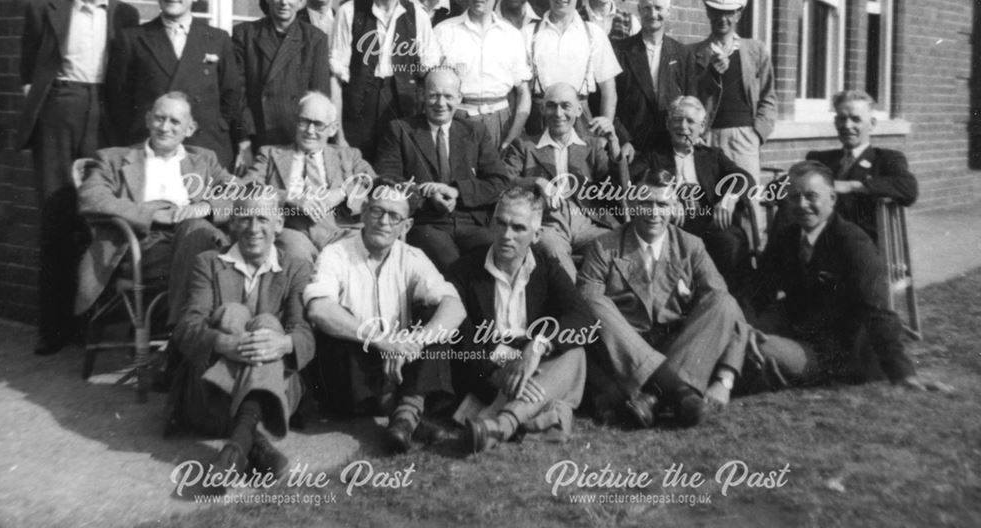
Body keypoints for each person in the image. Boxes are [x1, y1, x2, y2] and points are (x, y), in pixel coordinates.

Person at [17, 0, 140, 354]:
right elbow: (28, 74)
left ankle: (93, 325)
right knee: (56, 215)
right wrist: (48, 110)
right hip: (60, 108)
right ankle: (52, 329)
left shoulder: (125, 14)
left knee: (98, 216)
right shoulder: (44, 9)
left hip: (103, 110)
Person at [745, 161, 947, 393]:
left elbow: (878, 310)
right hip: (799, 329)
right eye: (794, 197)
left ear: (832, 198)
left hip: (838, 353)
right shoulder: (786, 237)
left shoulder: (852, 242)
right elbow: (759, 290)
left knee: (761, 350)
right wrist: (746, 326)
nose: (802, 205)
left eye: (811, 196)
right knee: (739, 335)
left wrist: (902, 373)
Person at [304, 178, 467, 453]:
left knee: (438, 318)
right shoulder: (336, 254)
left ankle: (404, 415)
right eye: (377, 211)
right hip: (355, 377)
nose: (384, 222)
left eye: (394, 216)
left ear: (406, 227)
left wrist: (415, 342)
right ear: (364, 212)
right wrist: (383, 341)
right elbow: (319, 310)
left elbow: (456, 307)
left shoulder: (412, 256)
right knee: (337, 321)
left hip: (400, 367)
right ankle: (411, 409)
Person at [167, 193, 315, 496]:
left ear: (278, 223)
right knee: (233, 314)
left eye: (262, 219)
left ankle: (236, 447)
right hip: (208, 393)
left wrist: (284, 343)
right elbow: (187, 327)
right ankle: (251, 439)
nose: (253, 227)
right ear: (233, 223)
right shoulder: (208, 263)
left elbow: (304, 334)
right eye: (245, 218)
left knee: (269, 328)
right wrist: (223, 343)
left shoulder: (295, 268)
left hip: (277, 395)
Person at [577, 169, 748, 428]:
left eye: (662, 204)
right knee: (591, 302)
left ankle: (653, 396)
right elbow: (584, 312)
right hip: (627, 351)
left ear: (675, 206)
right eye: (646, 203)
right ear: (632, 203)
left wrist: (724, 380)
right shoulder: (604, 246)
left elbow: (725, 307)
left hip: (679, 344)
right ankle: (679, 392)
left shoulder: (691, 245)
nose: (654, 212)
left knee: (723, 300)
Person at [448, 188, 596, 452]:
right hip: (491, 368)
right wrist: (499, 372)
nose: (506, 235)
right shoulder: (463, 271)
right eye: (501, 224)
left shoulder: (547, 267)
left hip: (534, 364)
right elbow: (461, 341)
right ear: (491, 223)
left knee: (575, 350)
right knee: (569, 368)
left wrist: (536, 348)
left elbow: (582, 317)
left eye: (518, 228)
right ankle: (544, 419)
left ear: (537, 235)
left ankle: (502, 424)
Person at [75, 93, 233, 327]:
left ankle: (198, 335)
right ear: (148, 120)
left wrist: (207, 207)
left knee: (210, 239)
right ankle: (190, 337)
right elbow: (91, 197)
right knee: (216, 257)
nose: (164, 127)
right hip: (141, 244)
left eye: (174, 122)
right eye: (159, 118)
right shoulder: (114, 158)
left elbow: (240, 192)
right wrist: (151, 214)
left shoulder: (204, 159)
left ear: (190, 129)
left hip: (193, 238)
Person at [106, 0, 250, 169]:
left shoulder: (218, 39)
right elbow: (118, 102)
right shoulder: (133, 39)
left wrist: (232, 136)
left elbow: (233, 97)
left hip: (206, 148)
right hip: (151, 149)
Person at [375, 67, 511, 273]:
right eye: (433, 95)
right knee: (452, 264)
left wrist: (457, 191)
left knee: (493, 257)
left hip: (471, 223)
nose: (440, 103)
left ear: (459, 98)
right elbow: (387, 182)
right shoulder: (400, 130)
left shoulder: (475, 131)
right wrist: (426, 194)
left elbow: (499, 181)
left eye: (448, 96)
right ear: (421, 95)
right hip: (426, 223)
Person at [329, 0, 441, 161]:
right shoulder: (349, 12)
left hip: (403, 111)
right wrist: (339, 136)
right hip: (358, 110)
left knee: (396, 178)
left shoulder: (418, 16)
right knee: (355, 179)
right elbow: (335, 78)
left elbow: (430, 75)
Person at [503, 83, 620, 279]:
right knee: (551, 247)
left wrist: (614, 145)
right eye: (551, 105)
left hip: (587, 221)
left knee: (614, 247)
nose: (558, 113)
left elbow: (617, 189)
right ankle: (577, 301)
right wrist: (536, 182)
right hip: (548, 222)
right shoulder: (524, 145)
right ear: (541, 109)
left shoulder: (591, 146)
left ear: (578, 110)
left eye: (566, 106)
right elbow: (504, 182)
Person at [638, 96, 754, 291]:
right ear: (668, 124)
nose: (683, 126)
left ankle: (729, 303)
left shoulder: (712, 156)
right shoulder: (654, 156)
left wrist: (730, 197)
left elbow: (744, 178)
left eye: (690, 121)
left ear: (702, 126)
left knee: (731, 242)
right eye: (677, 119)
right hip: (672, 225)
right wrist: (666, 197)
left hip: (709, 222)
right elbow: (632, 179)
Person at [242, 92, 375, 261]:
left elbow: (374, 184)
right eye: (304, 122)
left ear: (332, 129)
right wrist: (290, 198)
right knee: (297, 258)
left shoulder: (349, 156)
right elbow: (246, 188)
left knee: (352, 260)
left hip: (341, 230)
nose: (310, 131)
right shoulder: (269, 154)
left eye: (318, 125)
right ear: (295, 122)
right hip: (292, 230)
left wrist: (342, 193)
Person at [434, 0, 531, 150]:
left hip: (500, 122)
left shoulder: (512, 35)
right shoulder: (444, 31)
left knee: (498, 179)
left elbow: (523, 93)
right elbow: (429, 88)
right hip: (457, 119)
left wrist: (513, 134)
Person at [233, 0, 331, 151]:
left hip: (297, 139)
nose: (284, 2)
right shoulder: (244, 35)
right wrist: (243, 139)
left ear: (302, 0)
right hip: (255, 138)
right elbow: (238, 95)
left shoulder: (315, 39)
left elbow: (320, 99)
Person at [523, 0, 622, 137]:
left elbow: (609, 91)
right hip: (540, 118)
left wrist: (605, 132)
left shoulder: (593, 34)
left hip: (580, 119)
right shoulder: (529, 33)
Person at [806, 90, 918, 244]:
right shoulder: (820, 159)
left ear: (872, 124)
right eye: (842, 118)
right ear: (835, 122)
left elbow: (909, 189)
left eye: (856, 119)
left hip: (863, 248)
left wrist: (851, 186)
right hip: (820, 245)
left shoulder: (886, 159)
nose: (847, 125)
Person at [689, 0, 776, 184]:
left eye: (728, 13)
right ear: (709, 13)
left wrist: (758, 134)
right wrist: (709, 72)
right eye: (717, 12)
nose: (723, 19)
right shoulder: (693, 53)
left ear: (738, 14)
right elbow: (690, 97)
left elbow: (768, 97)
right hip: (706, 137)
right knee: (707, 201)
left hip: (744, 138)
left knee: (746, 202)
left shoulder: (756, 50)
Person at [612, 0, 693, 157]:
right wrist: (624, 140)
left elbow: (691, 102)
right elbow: (611, 103)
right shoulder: (620, 51)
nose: (653, 14)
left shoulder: (683, 54)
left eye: (658, 8)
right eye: (647, 8)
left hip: (670, 147)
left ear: (669, 11)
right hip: (633, 148)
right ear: (639, 9)